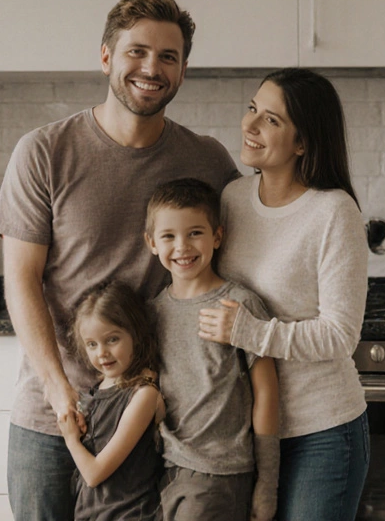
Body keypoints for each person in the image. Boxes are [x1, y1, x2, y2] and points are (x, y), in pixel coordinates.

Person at [0, 0, 240, 520]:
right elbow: (21, 281)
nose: (152, 68)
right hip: (53, 417)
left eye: (168, 56)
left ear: (183, 69)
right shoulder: (44, 152)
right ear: (106, 56)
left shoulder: (206, 159)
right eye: (137, 51)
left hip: (151, 422)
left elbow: (244, 250)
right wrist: (60, 393)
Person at [197, 68, 370, 520]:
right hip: (248, 433)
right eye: (253, 109)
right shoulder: (232, 199)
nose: (249, 125)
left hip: (322, 432)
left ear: (303, 142)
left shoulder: (333, 211)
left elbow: (340, 335)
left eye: (271, 120)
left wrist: (250, 333)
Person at [144, 178, 281, 521]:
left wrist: (268, 484)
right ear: (151, 244)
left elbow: (267, 394)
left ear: (217, 237)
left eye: (195, 233)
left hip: (220, 474)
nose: (182, 247)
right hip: (166, 469)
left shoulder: (241, 305)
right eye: (168, 236)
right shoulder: (153, 313)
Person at [59, 280, 165, 521]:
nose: (101, 353)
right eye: (92, 344)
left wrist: (71, 439)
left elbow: (94, 474)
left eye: (112, 339)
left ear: (135, 335)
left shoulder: (143, 395)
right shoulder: (99, 389)